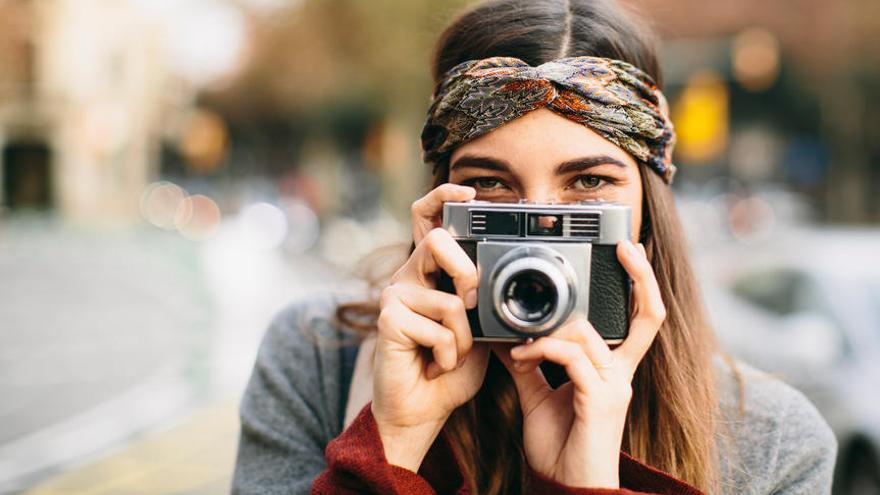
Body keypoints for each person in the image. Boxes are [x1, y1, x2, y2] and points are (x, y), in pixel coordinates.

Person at [231, 0, 838, 493]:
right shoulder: (316, 360)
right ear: (437, 204)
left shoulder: (774, 444)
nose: (538, 231)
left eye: (589, 184)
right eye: (490, 185)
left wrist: (588, 484)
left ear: (649, 209)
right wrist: (391, 442)